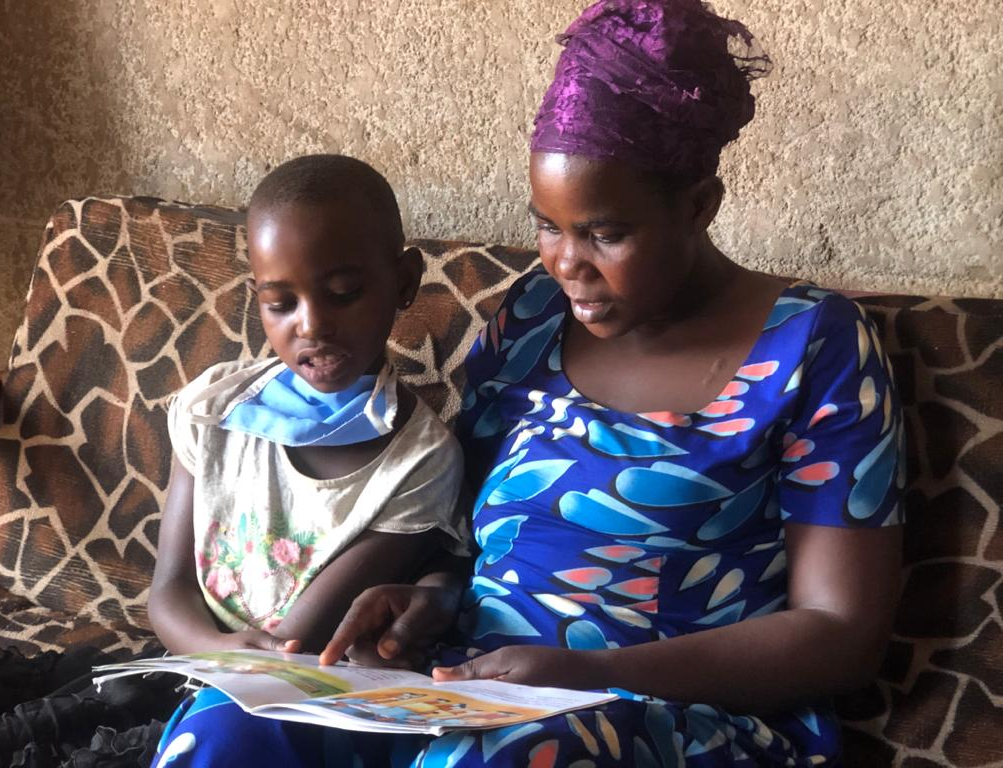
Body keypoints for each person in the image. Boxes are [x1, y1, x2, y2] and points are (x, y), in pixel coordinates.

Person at [153, 2, 903, 765]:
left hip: (670, 711)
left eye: (605, 233)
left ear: (699, 208)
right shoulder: (535, 319)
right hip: (466, 686)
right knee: (232, 722)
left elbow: (840, 635)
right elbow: (463, 534)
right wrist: (430, 601)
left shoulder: (816, 343)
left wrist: (589, 674)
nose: (567, 264)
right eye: (549, 226)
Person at [147, 154, 469, 659]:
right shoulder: (212, 409)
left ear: (404, 282)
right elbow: (168, 593)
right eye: (280, 304)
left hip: (287, 686)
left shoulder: (420, 462)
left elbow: (299, 643)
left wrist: (234, 662)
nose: (312, 325)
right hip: (194, 661)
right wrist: (216, 647)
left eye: (344, 293)